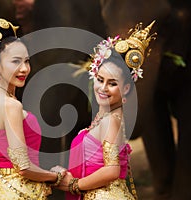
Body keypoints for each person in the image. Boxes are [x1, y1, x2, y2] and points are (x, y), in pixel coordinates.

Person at [0, 0, 66, 199]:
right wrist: (55, 177)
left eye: (26, 61)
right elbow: (23, 167)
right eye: (15, 61)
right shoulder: (11, 106)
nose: (24, 69)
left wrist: (3, 175)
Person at [54, 21, 156, 200]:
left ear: (125, 89)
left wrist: (73, 184)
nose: (103, 88)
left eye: (112, 83)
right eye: (100, 80)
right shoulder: (106, 116)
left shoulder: (111, 121)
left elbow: (111, 170)